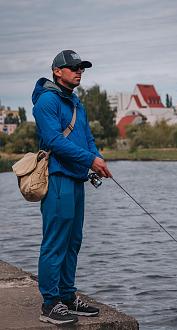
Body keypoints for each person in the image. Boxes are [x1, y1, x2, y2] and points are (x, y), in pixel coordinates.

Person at [32, 50, 112, 326]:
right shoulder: (46, 101)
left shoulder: (77, 103)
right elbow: (53, 140)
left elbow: (87, 138)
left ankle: (67, 296)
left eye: (82, 68)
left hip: (77, 180)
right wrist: (90, 159)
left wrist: (97, 159)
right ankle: (49, 303)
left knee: (73, 241)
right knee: (55, 242)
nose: (79, 71)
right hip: (56, 179)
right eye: (74, 67)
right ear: (58, 71)